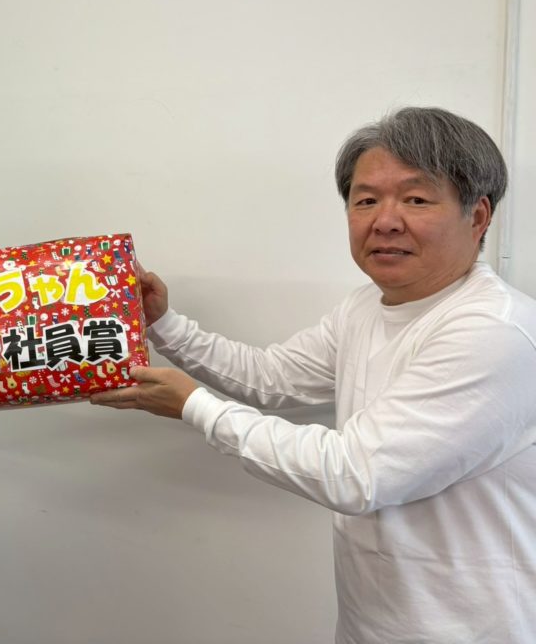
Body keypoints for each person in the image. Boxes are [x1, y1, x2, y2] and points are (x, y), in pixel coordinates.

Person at [92, 107, 536, 643]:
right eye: (365, 200)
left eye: (416, 199)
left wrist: (195, 407)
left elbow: (357, 474)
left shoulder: (494, 332)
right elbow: (271, 377)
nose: (385, 221)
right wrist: (163, 324)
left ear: (478, 216)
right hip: (371, 624)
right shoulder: (365, 306)